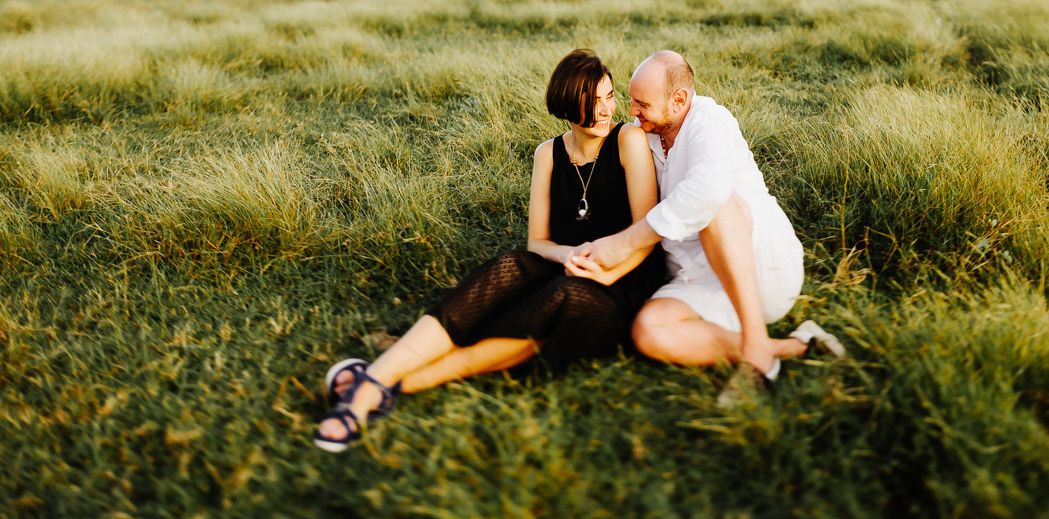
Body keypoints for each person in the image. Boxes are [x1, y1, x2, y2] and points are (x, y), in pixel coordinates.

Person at [315, 48, 665, 452]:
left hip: (622, 284)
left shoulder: (628, 140)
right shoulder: (547, 154)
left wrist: (606, 272)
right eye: (592, 102)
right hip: (566, 266)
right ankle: (381, 379)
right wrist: (565, 256)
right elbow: (539, 243)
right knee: (509, 265)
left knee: (560, 298)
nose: (605, 110)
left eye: (609, 96)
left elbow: (647, 233)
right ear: (568, 106)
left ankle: (376, 386)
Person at [572, 51, 841, 400]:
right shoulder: (645, 135)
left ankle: (757, 356)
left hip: (762, 268)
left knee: (716, 204)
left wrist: (623, 244)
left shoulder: (710, 121)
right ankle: (794, 346)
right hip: (697, 279)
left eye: (642, 103)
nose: (632, 111)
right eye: (631, 101)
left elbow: (708, 192)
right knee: (650, 332)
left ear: (679, 100)